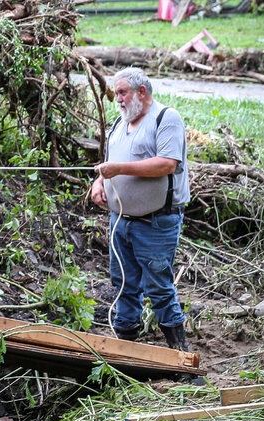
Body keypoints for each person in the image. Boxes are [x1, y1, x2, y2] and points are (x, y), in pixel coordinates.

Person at [90, 67, 190, 351]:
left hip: (156, 222)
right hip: (121, 220)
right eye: (117, 93)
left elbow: (167, 164)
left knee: (158, 287)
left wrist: (118, 169)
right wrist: (99, 182)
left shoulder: (166, 118)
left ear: (141, 92)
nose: (118, 98)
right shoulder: (120, 123)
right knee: (122, 282)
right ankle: (126, 349)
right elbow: (111, 161)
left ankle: (179, 355)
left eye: (122, 92)